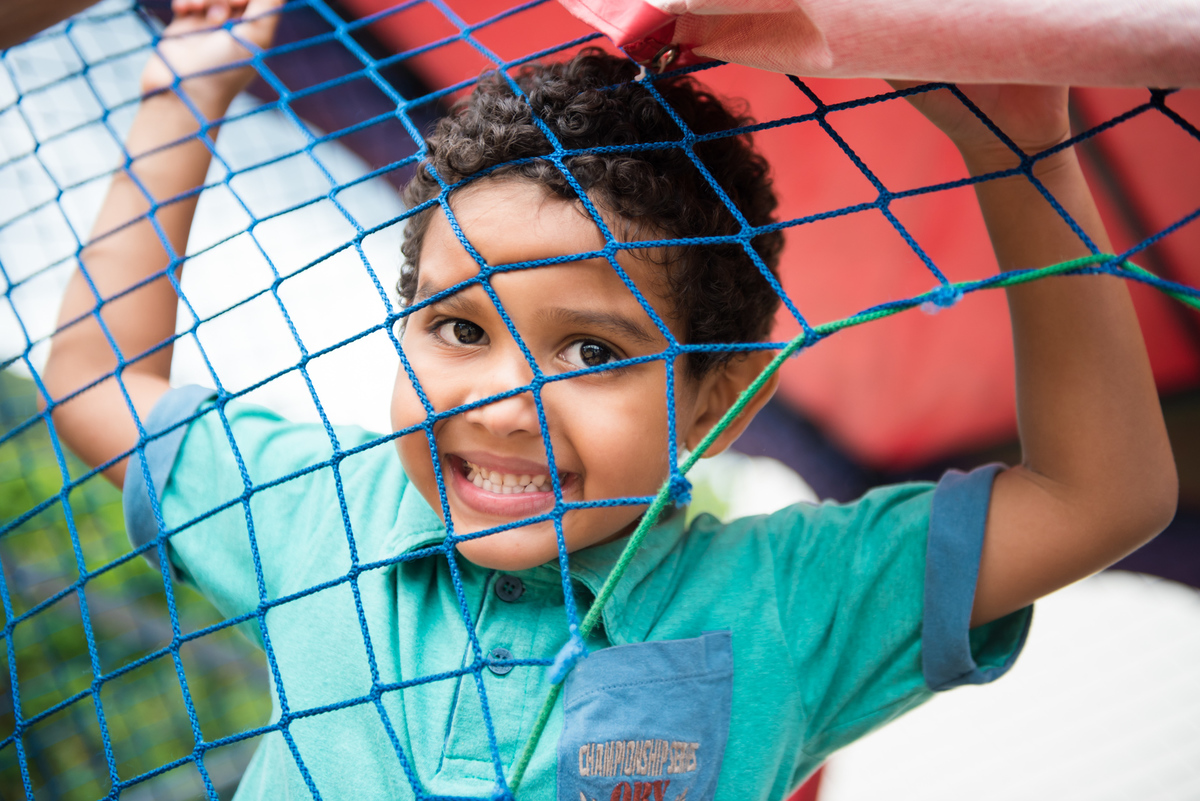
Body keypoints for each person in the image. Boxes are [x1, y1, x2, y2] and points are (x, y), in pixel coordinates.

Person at [40, 0, 1177, 798]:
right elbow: (96, 382)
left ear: (716, 402)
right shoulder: (323, 513)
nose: (504, 404)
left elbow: (1099, 496)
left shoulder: (787, 598)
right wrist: (180, 99)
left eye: (591, 351)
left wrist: (1026, 156)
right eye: (458, 328)